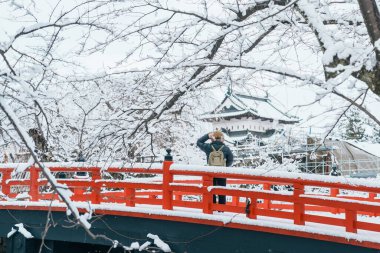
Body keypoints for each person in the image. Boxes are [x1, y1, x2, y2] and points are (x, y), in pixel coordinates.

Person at [197, 130, 233, 205]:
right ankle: (221, 209)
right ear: (222, 138)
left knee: (211, 190)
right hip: (221, 172)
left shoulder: (208, 147)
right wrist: (224, 166)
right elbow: (230, 160)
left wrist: (207, 136)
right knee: (221, 191)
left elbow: (199, 142)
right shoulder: (226, 149)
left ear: (212, 138)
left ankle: (212, 209)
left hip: (211, 172)